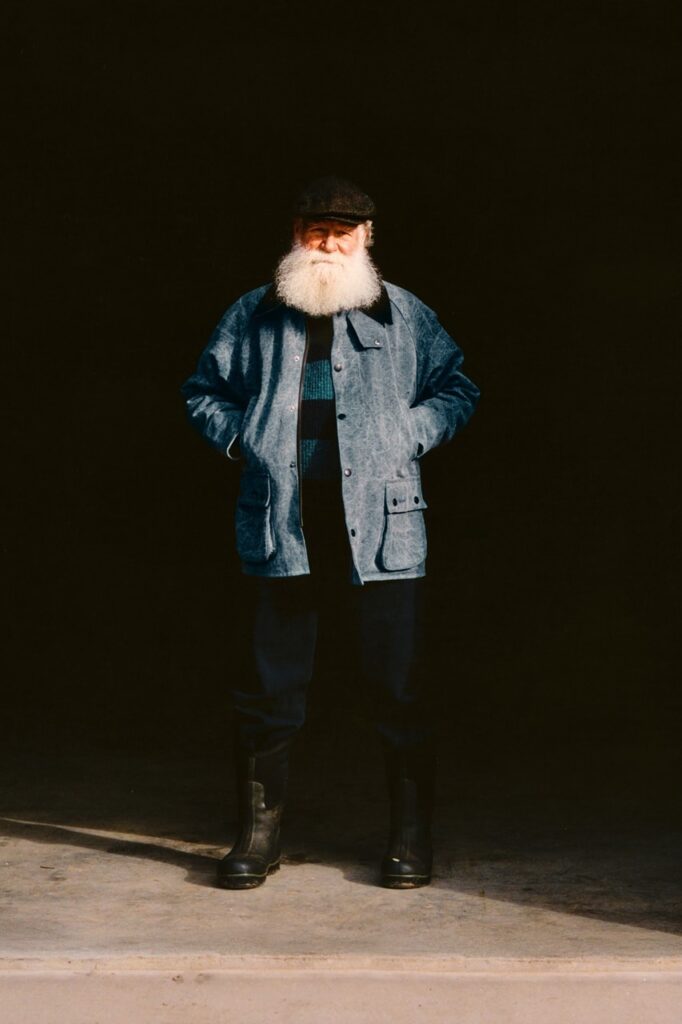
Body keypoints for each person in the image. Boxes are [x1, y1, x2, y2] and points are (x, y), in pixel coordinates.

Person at [181, 176, 480, 890]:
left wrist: (410, 432)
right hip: (283, 525)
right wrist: (243, 439)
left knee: (398, 686)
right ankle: (259, 835)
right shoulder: (254, 313)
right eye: (316, 229)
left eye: (343, 232)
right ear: (295, 234)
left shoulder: (404, 314)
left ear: (366, 238)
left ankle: (410, 837)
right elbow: (203, 392)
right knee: (269, 688)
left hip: (382, 530)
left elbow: (457, 387)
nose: (328, 243)